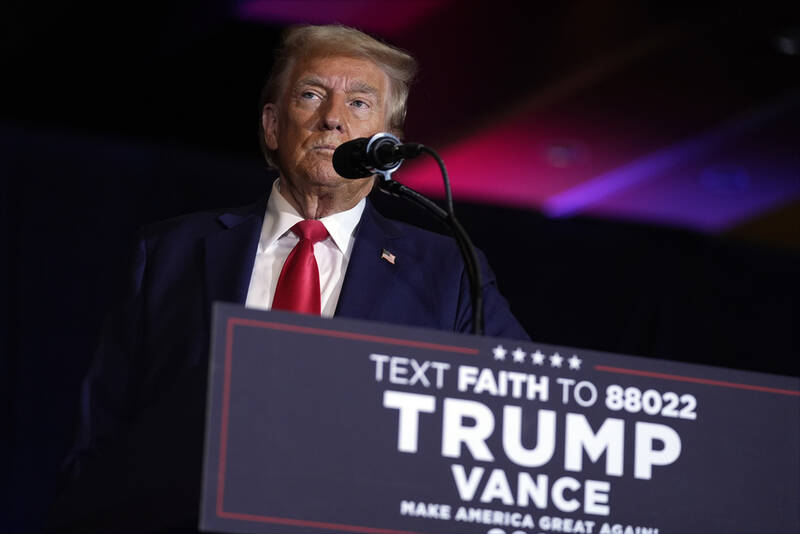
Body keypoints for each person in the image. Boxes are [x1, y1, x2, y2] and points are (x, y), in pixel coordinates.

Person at [49, 24, 528, 533]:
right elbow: (102, 436)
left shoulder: (447, 270)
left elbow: (517, 415)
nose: (332, 120)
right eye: (311, 95)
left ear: (386, 146)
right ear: (273, 127)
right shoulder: (172, 252)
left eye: (360, 104)